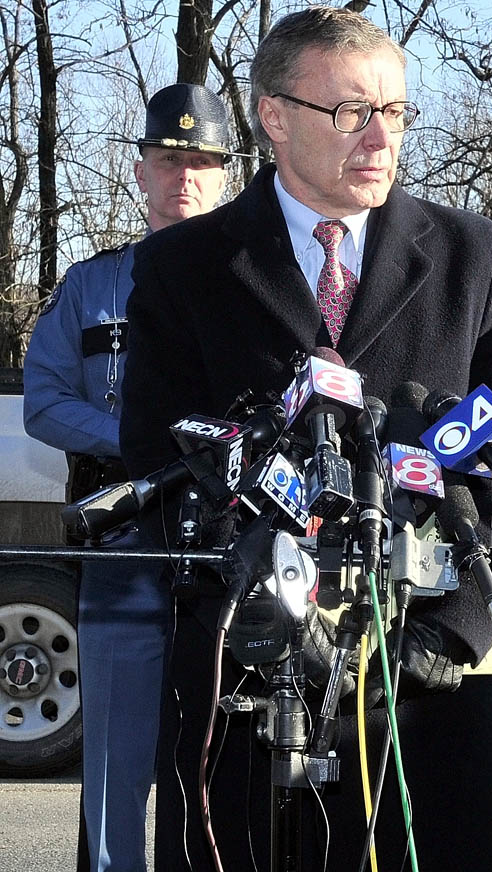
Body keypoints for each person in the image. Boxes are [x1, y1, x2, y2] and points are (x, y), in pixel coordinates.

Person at [118, 7, 492, 872]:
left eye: (394, 112)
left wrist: (455, 630)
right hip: (247, 687)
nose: (379, 136)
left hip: (426, 688)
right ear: (273, 117)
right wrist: (265, 610)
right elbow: (157, 457)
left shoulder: (472, 254)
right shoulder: (184, 266)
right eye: (351, 112)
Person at [23, 82, 234, 872]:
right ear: (140, 171)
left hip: (226, 546)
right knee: (114, 769)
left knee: (218, 767)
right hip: (123, 542)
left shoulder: (256, 287)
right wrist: (144, 444)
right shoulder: (92, 286)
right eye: (168, 159)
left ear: (224, 175)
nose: (185, 175)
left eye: (202, 162)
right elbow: (43, 400)